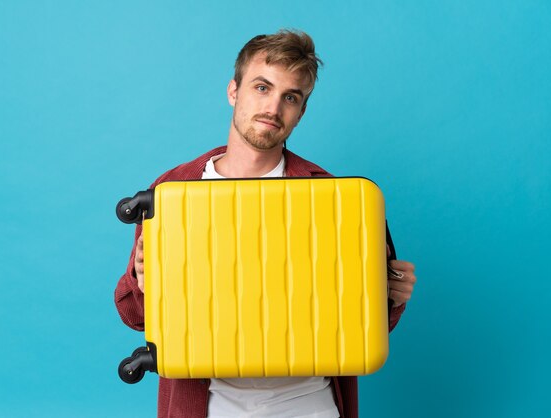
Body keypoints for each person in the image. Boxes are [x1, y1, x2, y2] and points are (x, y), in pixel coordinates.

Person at [115, 29, 417, 418]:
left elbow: (357, 329)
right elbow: (136, 317)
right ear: (233, 91)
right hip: (206, 406)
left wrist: (391, 297)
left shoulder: (334, 197)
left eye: (290, 97)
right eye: (262, 87)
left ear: (301, 111)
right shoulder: (172, 192)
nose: (273, 108)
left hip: (310, 405)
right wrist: (141, 282)